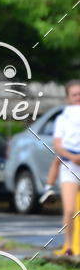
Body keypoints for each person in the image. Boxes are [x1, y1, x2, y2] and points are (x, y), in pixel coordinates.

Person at [50, 80, 80, 255]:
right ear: (68, 98)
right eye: (74, 95)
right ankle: (68, 246)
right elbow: (58, 146)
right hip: (69, 167)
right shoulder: (62, 119)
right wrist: (73, 157)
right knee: (69, 210)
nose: (78, 98)